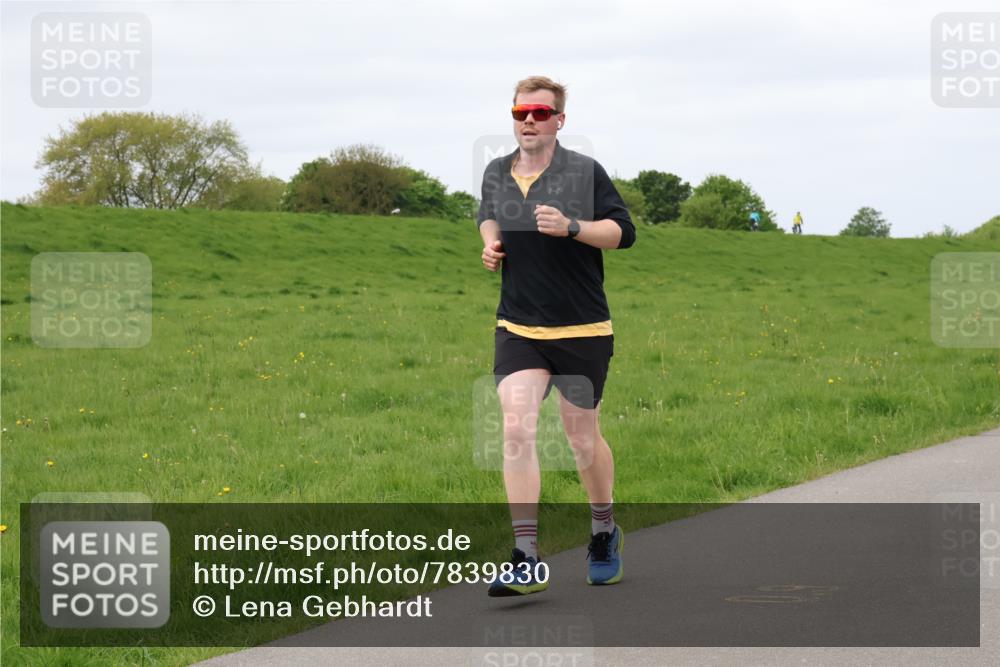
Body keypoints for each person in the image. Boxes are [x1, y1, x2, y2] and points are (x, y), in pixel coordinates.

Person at [477, 76, 635, 596]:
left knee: (581, 438)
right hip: (519, 327)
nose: (529, 120)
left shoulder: (584, 172)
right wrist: (492, 244)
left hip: (582, 329)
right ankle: (525, 557)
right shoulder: (497, 172)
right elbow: (488, 217)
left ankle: (604, 530)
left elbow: (622, 233)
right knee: (516, 427)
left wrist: (572, 226)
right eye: (521, 112)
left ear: (559, 120)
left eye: (540, 113)